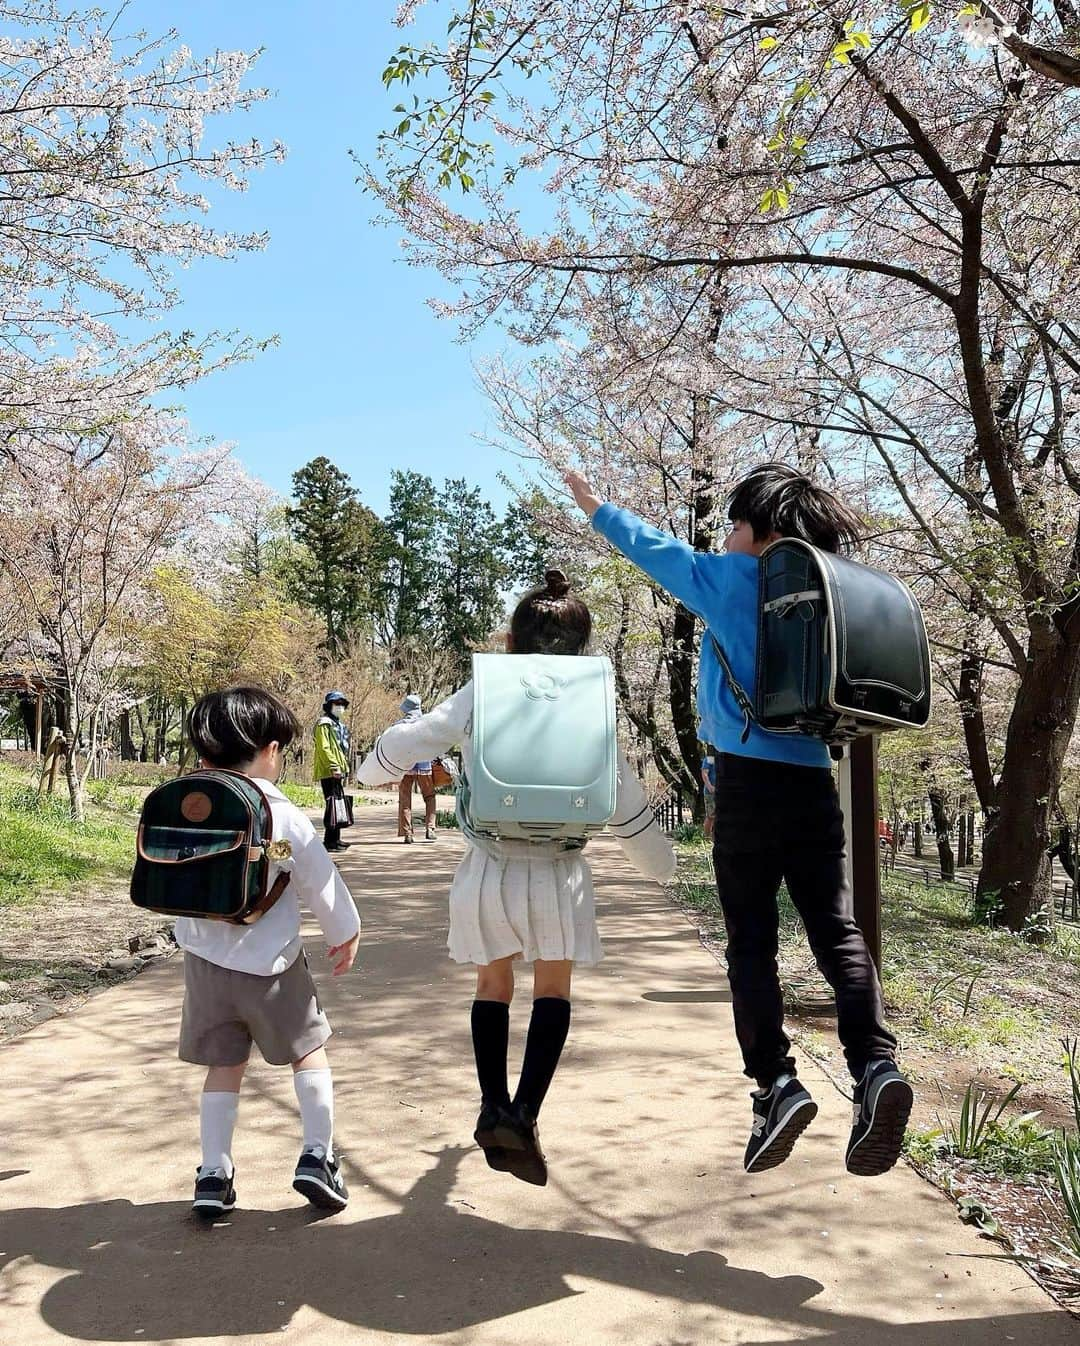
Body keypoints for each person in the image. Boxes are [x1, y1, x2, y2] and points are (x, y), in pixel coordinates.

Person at [565, 464, 913, 1178]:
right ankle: (876, 1068)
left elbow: (653, 549)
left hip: (749, 785)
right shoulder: (832, 590)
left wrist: (596, 506)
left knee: (750, 942)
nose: (726, 535)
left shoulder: (728, 580)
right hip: (816, 780)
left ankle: (775, 1085)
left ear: (764, 533)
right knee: (835, 928)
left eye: (735, 523)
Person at [358, 570, 676, 1187]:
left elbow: (419, 737)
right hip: (561, 870)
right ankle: (525, 1113)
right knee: (553, 990)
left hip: (489, 866)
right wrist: (659, 865)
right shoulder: (594, 696)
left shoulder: (488, 688)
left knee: (492, 983)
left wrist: (372, 769)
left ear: (512, 638)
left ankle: (490, 1103)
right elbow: (620, 792)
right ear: (582, 643)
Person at [177, 686, 361, 1217]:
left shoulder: (190, 804)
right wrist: (343, 932)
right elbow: (313, 878)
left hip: (204, 964)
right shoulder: (279, 815)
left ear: (205, 752)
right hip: (272, 965)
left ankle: (214, 1172)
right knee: (308, 1051)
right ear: (272, 750)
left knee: (223, 1065)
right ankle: (317, 1156)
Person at [396, 694, 438, 844]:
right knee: (429, 796)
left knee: (405, 799)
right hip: (424, 765)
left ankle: (408, 834)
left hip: (405, 767)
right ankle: (430, 829)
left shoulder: (399, 725)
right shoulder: (427, 723)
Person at [314, 691, 351, 853]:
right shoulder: (324, 724)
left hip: (338, 769)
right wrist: (334, 766)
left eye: (342, 704)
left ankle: (335, 838)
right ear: (329, 706)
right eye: (337, 704)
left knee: (338, 804)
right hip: (329, 770)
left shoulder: (338, 725)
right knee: (332, 805)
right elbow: (324, 747)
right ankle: (329, 841)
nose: (340, 707)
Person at [701, 751, 717, 842]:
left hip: (720, 791)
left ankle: (715, 838)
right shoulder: (709, 759)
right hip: (710, 793)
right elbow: (704, 773)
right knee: (711, 816)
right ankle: (706, 838)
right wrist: (710, 787)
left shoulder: (722, 759)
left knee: (718, 816)